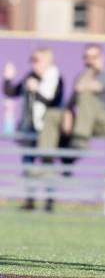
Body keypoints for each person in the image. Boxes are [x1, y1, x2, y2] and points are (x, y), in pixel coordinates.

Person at [3, 48, 64, 211]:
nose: (34, 63)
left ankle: (49, 201)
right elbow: (11, 92)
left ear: (48, 61)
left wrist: (36, 90)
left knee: (47, 163)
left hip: (47, 130)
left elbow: (53, 103)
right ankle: (30, 199)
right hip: (29, 127)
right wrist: (8, 79)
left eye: (37, 60)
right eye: (33, 60)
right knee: (28, 163)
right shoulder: (29, 78)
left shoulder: (56, 79)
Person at [42, 44, 105, 153]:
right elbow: (72, 101)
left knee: (84, 95)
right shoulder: (81, 77)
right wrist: (67, 114)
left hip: (104, 124)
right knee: (52, 115)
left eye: (94, 57)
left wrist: (90, 71)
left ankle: (80, 138)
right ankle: (46, 159)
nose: (90, 61)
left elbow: (86, 88)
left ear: (102, 58)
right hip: (84, 123)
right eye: (86, 57)